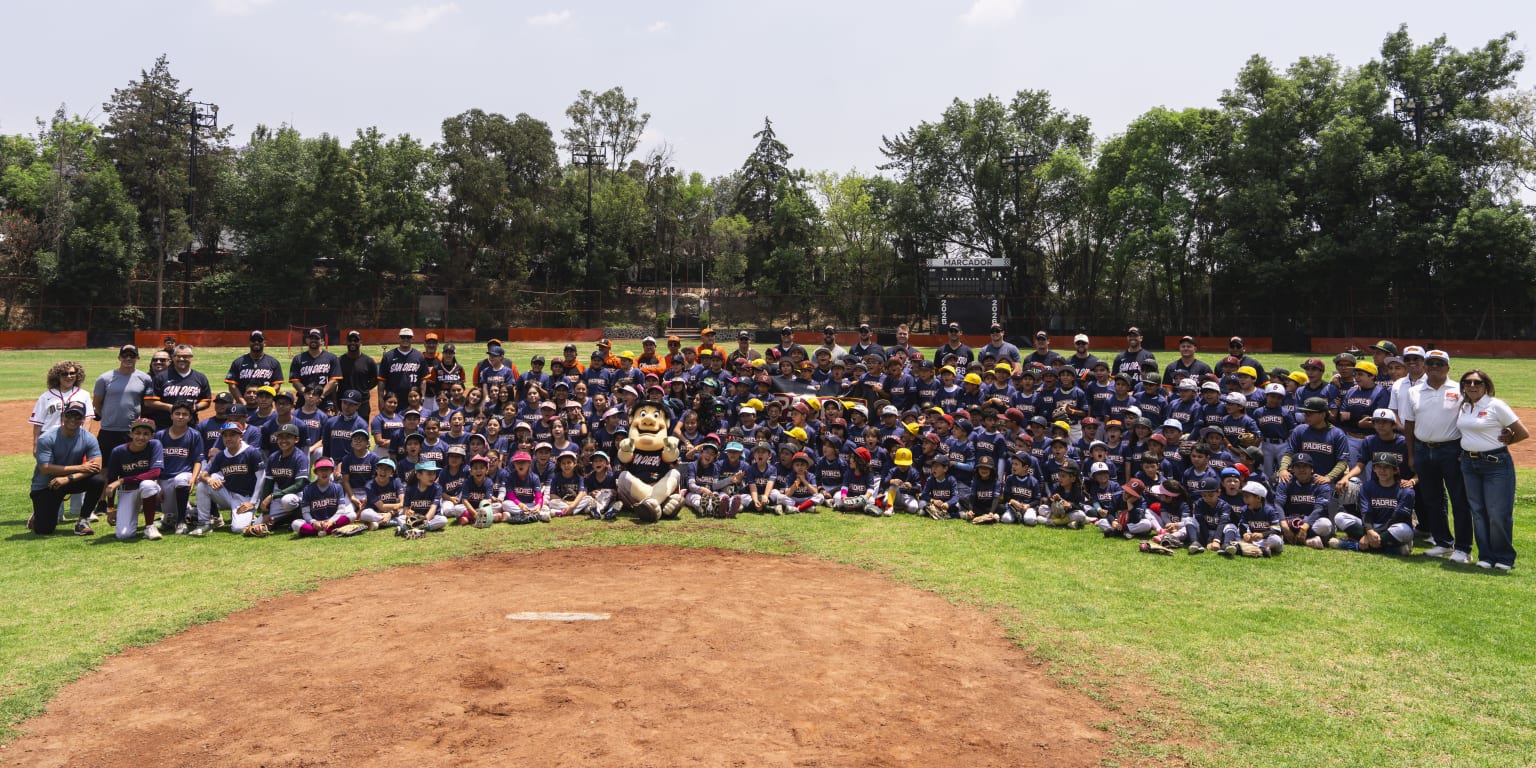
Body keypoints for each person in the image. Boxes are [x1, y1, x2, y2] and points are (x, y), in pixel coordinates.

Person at [1401, 349, 1470, 561]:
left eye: (1439, 364)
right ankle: (1443, 542)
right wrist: (1411, 455)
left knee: (1459, 500)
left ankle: (1463, 548)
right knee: (1432, 499)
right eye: (1430, 363)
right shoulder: (1414, 391)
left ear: (1448, 368)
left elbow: (1469, 421)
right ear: (1425, 366)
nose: (1434, 367)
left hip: (1451, 450)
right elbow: (1409, 425)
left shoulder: (1460, 389)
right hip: (1423, 449)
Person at [1456, 370, 1528, 570]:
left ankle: (1504, 557)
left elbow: (1523, 432)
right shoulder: (1464, 406)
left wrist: (1509, 438)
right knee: (1478, 512)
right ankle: (1486, 556)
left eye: (1476, 382)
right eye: (1467, 382)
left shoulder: (1495, 405)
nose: (1471, 386)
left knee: (1498, 513)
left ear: (1485, 385)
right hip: (1469, 464)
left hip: (1496, 463)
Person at [29, 402, 106, 536]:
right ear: (63, 416)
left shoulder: (88, 438)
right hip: (46, 485)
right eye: (70, 415)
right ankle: (38, 514)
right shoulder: (46, 438)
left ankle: (82, 521)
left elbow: (96, 467)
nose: (73, 419)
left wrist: (68, 478)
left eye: (78, 416)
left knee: (98, 480)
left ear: (83, 419)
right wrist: (79, 467)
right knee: (44, 530)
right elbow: (45, 469)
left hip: (68, 481)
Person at [92, 344, 154, 467]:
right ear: (119, 358)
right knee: (105, 467)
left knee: (130, 466)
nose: (128, 358)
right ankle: (107, 487)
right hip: (108, 430)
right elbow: (97, 403)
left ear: (138, 358)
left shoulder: (145, 379)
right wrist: (106, 417)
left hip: (131, 431)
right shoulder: (104, 378)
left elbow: (146, 403)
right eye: (125, 355)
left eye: (132, 355)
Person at [103, 419, 166, 541]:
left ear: (152, 436)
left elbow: (155, 473)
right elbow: (111, 481)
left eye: (146, 433)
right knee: (123, 535)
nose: (141, 437)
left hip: (149, 489)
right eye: (137, 432)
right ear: (130, 434)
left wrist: (122, 480)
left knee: (147, 485)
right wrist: (110, 508)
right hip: (128, 491)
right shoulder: (118, 451)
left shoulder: (155, 445)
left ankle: (149, 526)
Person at [378, 328, 426, 413]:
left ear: (412, 339)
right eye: (403, 337)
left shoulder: (419, 356)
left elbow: (423, 380)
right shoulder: (389, 356)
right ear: (399, 338)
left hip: (413, 399)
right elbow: (382, 381)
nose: (406, 339)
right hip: (393, 399)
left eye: (408, 337)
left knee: (412, 424)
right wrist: (381, 399)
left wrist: (422, 396)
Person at [225, 331, 286, 396]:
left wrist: (265, 398)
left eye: (259, 340)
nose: (256, 342)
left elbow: (277, 385)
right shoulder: (238, 362)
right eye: (253, 340)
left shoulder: (273, 363)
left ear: (264, 343)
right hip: (243, 403)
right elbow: (232, 385)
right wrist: (242, 402)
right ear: (249, 342)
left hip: (265, 404)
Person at [288, 329, 342, 402]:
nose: (313, 340)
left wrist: (321, 396)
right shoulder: (298, 359)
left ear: (322, 340)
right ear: (307, 340)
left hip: (325, 400)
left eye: (316, 338)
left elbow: (334, 381)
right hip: (304, 400)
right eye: (311, 338)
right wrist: (307, 395)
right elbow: (295, 382)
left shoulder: (332, 358)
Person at [337, 330, 379, 418]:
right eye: (350, 340)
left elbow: (374, 380)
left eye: (355, 340)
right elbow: (335, 381)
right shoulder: (339, 361)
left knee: (361, 429)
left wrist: (364, 389)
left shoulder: (369, 361)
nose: (352, 343)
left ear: (360, 342)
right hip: (344, 402)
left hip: (362, 402)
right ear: (346, 342)